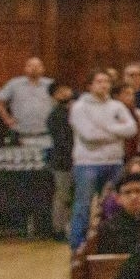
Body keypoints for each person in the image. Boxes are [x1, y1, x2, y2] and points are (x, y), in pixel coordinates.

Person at [68, 70, 140, 251]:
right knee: (83, 204)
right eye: (99, 81)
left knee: (115, 203)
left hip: (114, 161)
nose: (104, 85)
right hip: (88, 162)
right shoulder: (79, 107)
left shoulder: (117, 106)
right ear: (90, 85)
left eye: (107, 82)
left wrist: (106, 127)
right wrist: (116, 132)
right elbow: (89, 135)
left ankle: (109, 241)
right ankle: (77, 246)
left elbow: (131, 129)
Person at [90, 171, 140, 256]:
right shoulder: (108, 228)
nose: (134, 197)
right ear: (118, 199)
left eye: (138, 191)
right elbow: (105, 264)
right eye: (127, 192)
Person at [0, 55, 54, 145]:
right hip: (21, 135)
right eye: (30, 66)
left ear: (43, 68)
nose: (34, 68)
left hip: (47, 135)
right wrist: (7, 119)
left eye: (38, 66)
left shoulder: (51, 84)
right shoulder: (14, 84)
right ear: (25, 68)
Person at [46, 81, 75, 239]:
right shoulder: (55, 116)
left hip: (76, 160)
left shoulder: (75, 110)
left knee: (73, 195)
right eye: (60, 91)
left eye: (66, 88)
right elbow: (62, 141)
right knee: (63, 195)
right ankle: (59, 228)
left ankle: (70, 227)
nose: (65, 93)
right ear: (54, 96)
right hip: (62, 162)